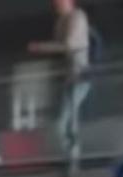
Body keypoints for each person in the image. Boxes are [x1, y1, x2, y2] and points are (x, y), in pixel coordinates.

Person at [28, 0, 92, 155]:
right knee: (67, 122)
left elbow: (69, 44)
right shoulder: (61, 22)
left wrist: (41, 48)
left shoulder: (77, 17)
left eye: (60, 2)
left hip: (80, 75)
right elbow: (61, 47)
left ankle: (72, 158)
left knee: (65, 122)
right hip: (68, 78)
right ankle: (70, 157)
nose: (57, 5)